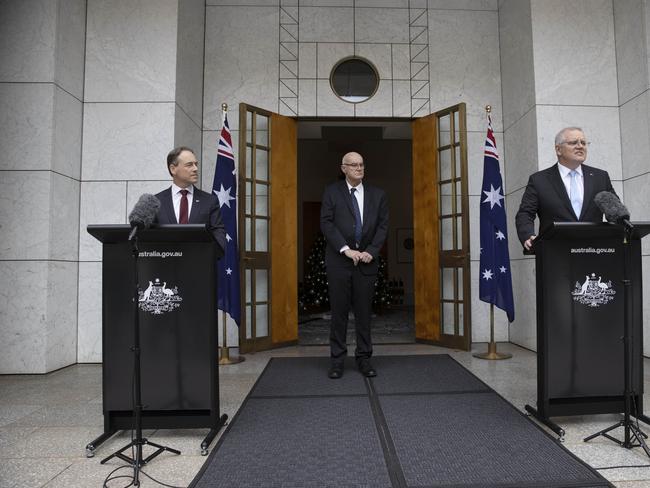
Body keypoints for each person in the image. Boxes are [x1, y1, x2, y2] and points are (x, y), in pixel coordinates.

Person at [320, 152, 389, 379]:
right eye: (354, 165)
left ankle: (364, 359)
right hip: (339, 261)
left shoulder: (378, 195)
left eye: (361, 164)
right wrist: (345, 249)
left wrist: (371, 251)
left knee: (363, 313)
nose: (359, 168)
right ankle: (337, 361)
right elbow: (327, 224)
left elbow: (382, 226)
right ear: (343, 168)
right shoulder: (332, 192)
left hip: (367, 263)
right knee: (339, 312)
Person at [515, 127, 617, 250]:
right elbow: (525, 213)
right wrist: (528, 235)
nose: (580, 146)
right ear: (558, 149)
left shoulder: (600, 177)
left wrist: (621, 224)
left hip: (594, 251)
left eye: (583, 143)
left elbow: (615, 211)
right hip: (554, 253)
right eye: (574, 142)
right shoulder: (539, 180)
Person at [155, 146, 226, 256]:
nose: (195, 169)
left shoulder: (210, 201)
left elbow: (219, 236)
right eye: (189, 165)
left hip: (199, 266)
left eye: (196, 164)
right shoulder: (156, 201)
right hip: (165, 267)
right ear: (173, 169)